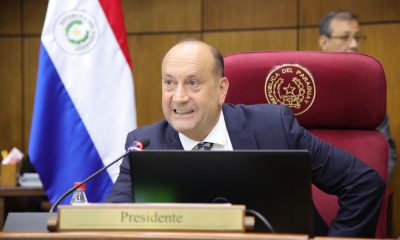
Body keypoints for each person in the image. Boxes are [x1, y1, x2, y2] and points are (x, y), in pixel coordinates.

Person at [106, 39, 386, 237]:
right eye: (169, 82)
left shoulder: (273, 128)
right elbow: (113, 218)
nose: (178, 97)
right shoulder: (144, 144)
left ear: (221, 89)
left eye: (193, 82)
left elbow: (363, 183)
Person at [319, 10, 397, 177]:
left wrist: (370, 189)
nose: (354, 44)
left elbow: (387, 153)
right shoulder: (307, 92)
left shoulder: (368, 96)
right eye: (344, 37)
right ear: (324, 42)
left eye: (358, 37)